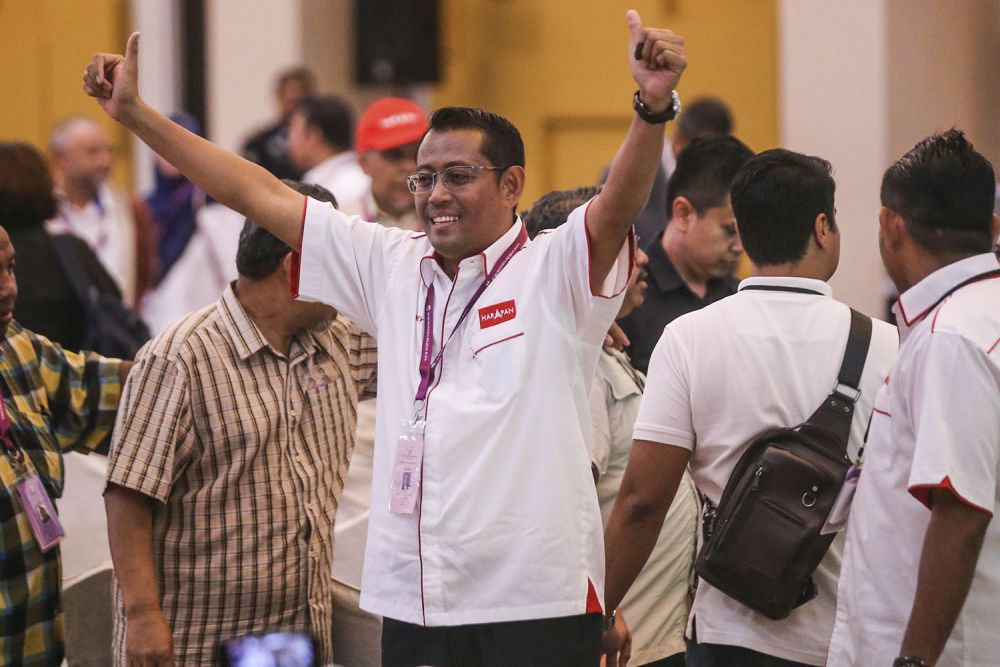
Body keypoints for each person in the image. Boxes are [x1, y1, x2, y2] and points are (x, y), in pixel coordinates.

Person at [84, 10, 684, 665]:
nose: (434, 194)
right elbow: (254, 190)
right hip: (415, 597)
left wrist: (651, 108)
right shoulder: (390, 262)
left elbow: (617, 205)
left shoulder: (555, 269)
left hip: (533, 597)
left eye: (458, 175)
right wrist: (137, 116)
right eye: (424, 177)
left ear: (512, 185)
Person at [603, 149, 898, 666]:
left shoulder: (689, 338)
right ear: (823, 226)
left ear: (745, 230)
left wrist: (599, 611)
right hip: (850, 635)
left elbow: (641, 501)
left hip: (731, 632)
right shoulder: (887, 345)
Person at [103, 181, 377, 666]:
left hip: (295, 634)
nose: (351, 278)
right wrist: (143, 614)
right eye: (340, 261)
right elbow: (129, 495)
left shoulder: (339, 340)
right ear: (296, 268)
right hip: (195, 638)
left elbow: (432, 340)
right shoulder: (180, 358)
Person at [827, 130, 1000, 667]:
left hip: (941, 651)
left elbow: (960, 512)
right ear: (993, 228)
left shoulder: (952, 336)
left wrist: (913, 661)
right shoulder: (976, 316)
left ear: (890, 226)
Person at [524, 186, 698, 667]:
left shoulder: (604, 353)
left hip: (648, 632)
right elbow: (565, 505)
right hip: (620, 641)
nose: (642, 258)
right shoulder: (579, 370)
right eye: (625, 243)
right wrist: (601, 612)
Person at [0, 222, 129, 665]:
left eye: (11, 268)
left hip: (34, 645)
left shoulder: (14, 349)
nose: (8, 290)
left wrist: (196, 357)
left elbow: (99, 388)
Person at [619, 136, 754, 373]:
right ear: (683, 214)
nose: (741, 247)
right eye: (730, 230)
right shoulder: (626, 302)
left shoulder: (744, 300)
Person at [47, 116, 157, 307]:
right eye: (92, 152)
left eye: (108, 151)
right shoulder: (45, 211)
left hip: (118, 327)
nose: (104, 161)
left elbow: (145, 274)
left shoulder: (130, 207)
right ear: (61, 160)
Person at [632, 96, 735, 244]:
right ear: (679, 140)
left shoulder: (723, 182)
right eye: (703, 151)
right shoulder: (630, 174)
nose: (710, 161)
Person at [337, 97, 428, 232]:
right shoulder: (341, 221)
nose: (410, 167)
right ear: (364, 162)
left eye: (418, 154)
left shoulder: (450, 219)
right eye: (394, 155)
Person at [288, 94, 370, 205]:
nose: (288, 143)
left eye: (292, 132)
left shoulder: (351, 187)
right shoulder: (361, 178)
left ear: (312, 136)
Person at [241, 66, 316, 181]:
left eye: (298, 101)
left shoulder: (318, 139)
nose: (293, 106)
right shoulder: (259, 142)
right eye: (289, 100)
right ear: (278, 96)